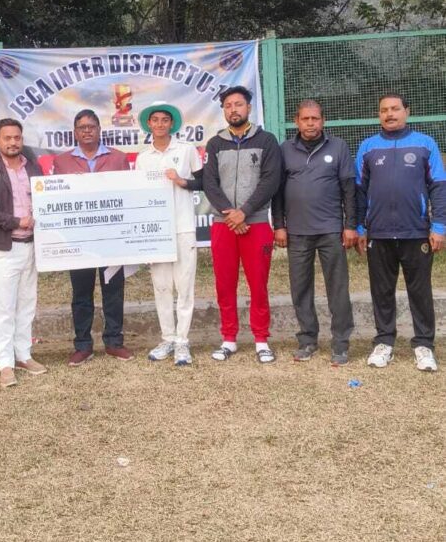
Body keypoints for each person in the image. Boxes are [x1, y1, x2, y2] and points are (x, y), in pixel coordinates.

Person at [356, 93, 445, 371]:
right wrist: (359, 227)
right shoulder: (368, 147)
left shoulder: (425, 143)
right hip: (378, 233)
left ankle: (424, 345)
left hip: (416, 232)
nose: (389, 114)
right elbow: (359, 191)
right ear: (378, 114)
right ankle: (384, 342)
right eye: (384, 110)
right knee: (381, 291)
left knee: (420, 291)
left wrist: (439, 226)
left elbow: (439, 186)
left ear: (407, 111)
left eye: (395, 109)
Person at [203, 85, 283, 364]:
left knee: (258, 283)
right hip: (224, 224)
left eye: (238, 104)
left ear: (249, 108)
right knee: (225, 283)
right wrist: (231, 215)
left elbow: (270, 181)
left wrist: (245, 212)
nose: (233, 110)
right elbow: (209, 182)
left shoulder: (267, 140)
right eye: (228, 106)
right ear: (223, 111)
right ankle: (229, 338)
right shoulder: (215, 143)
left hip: (256, 224)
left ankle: (261, 339)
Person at [273, 100, 356, 365]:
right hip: (297, 233)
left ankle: (340, 343)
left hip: (331, 230)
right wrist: (279, 225)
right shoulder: (285, 149)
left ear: (323, 120)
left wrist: (350, 225)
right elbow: (277, 192)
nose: (310, 123)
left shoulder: (338, 147)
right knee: (300, 289)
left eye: (315, 118)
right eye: (305, 119)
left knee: (338, 288)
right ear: (296, 121)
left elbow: (349, 190)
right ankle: (307, 340)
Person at [53, 108, 134, 365]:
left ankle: (114, 341)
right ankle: (83, 345)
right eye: (82, 127)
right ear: (75, 132)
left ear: (99, 130)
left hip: (112, 238)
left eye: (91, 127)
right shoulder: (62, 162)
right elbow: (56, 198)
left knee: (114, 291)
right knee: (81, 293)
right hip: (79, 240)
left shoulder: (118, 158)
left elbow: (129, 194)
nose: (87, 131)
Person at [0, 118, 46, 389]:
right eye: (7, 138)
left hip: (32, 246)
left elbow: (47, 201)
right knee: (4, 307)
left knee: (27, 303)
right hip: (4, 248)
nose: (13, 142)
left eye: (17, 137)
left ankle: (24, 354)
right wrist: (16, 222)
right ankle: (5, 363)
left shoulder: (33, 168)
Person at [135, 103, 202, 366]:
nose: (160, 124)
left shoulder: (186, 150)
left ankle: (182, 341)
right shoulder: (143, 158)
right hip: (157, 231)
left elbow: (203, 181)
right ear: (149, 124)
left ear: (172, 124)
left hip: (183, 227)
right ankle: (168, 338)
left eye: (165, 120)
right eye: (155, 120)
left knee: (184, 286)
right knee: (162, 287)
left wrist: (181, 181)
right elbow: (139, 196)